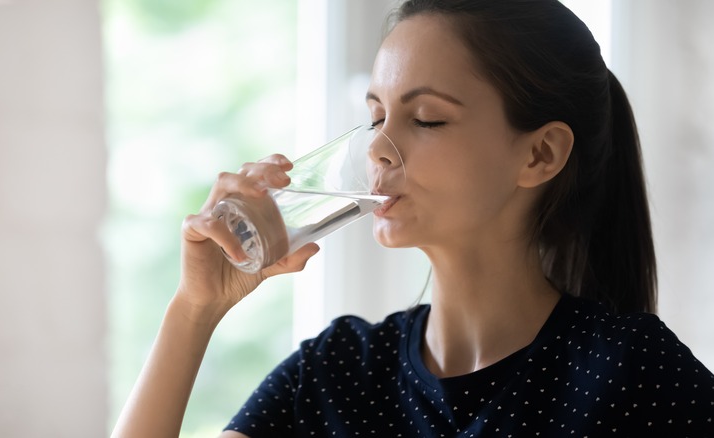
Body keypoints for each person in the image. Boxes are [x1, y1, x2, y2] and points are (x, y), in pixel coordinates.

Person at [112, 0, 714, 436]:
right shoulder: (336, 375)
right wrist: (195, 310)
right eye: (376, 116)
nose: (378, 147)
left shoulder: (628, 375)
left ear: (540, 153)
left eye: (426, 118)